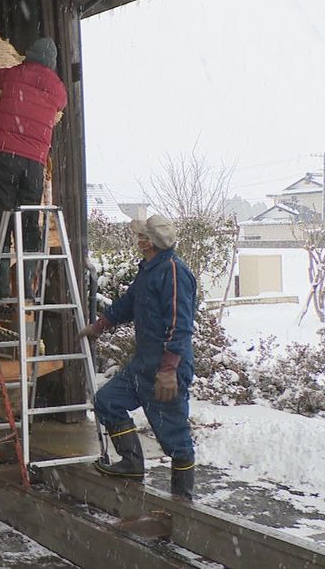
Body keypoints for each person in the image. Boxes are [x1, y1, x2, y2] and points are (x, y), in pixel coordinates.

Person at [78, 215, 198, 501]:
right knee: (107, 402)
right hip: (143, 364)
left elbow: (180, 324)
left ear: (151, 241)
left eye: (141, 236)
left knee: (175, 439)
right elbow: (129, 303)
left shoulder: (173, 272)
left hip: (166, 368)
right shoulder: (149, 270)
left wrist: (169, 369)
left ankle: (183, 503)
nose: (138, 240)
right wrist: (100, 325)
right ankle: (131, 464)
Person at [0, 37, 68, 298]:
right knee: (29, 221)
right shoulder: (58, 88)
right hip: (34, 164)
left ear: (30, 55)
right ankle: (27, 287)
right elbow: (61, 105)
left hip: (4, 156)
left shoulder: (16, 74)